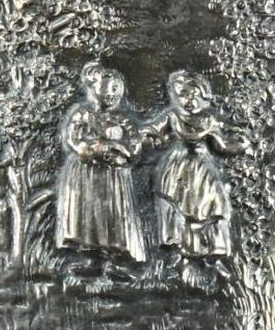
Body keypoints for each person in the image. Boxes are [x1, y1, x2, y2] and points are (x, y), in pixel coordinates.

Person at [142, 70, 249, 270]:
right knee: (176, 205)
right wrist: (147, 138)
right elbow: (152, 131)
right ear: (176, 96)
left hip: (202, 169)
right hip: (177, 167)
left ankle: (211, 251)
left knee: (212, 205)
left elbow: (222, 146)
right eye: (183, 95)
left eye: (194, 95)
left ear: (204, 97)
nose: (189, 100)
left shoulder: (209, 120)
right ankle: (178, 249)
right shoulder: (173, 116)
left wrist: (239, 144)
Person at [55, 62, 146, 265]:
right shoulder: (83, 114)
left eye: (115, 89)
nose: (111, 94)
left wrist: (122, 151)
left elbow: (134, 143)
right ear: (94, 88)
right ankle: (90, 257)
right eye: (106, 89)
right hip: (86, 173)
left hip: (114, 175)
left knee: (113, 214)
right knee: (89, 213)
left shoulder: (123, 119)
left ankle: (116, 258)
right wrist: (89, 149)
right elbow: (72, 139)